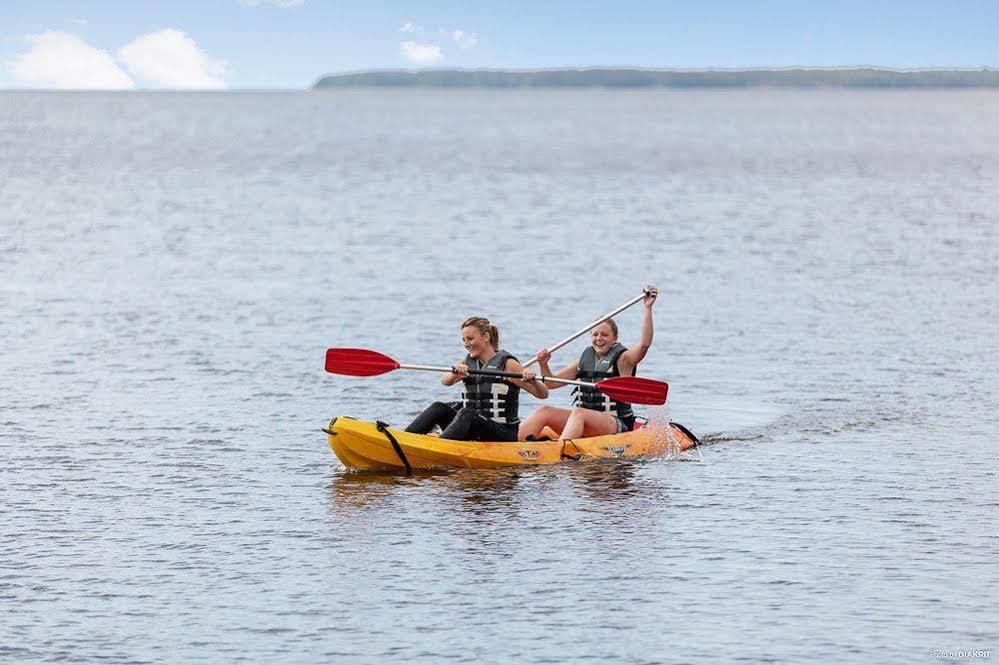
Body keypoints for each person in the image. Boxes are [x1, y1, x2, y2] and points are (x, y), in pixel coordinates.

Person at [518, 286, 659, 441]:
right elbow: (550, 384)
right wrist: (544, 364)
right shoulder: (584, 360)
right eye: (595, 334)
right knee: (544, 411)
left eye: (605, 335)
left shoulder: (624, 359)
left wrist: (647, 308)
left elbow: (644, 344)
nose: (599, 338)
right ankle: (510, 443)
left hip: (617, 425)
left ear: (615, 338)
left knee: (579, 412)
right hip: (585, 421)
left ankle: (559, 451)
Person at [406, 317, 548, 441]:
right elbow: (445, 381)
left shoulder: (508, 364)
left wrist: (533, 381)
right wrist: (454, 373)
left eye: (470, 338)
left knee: (467, 414)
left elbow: (543, 394)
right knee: (439, 407)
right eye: (464, 340)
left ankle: (437, 449)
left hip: (502, 433)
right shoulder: (467, 363)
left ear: (486, 337)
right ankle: (405, 439)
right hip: (473, 428)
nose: (466, 344)